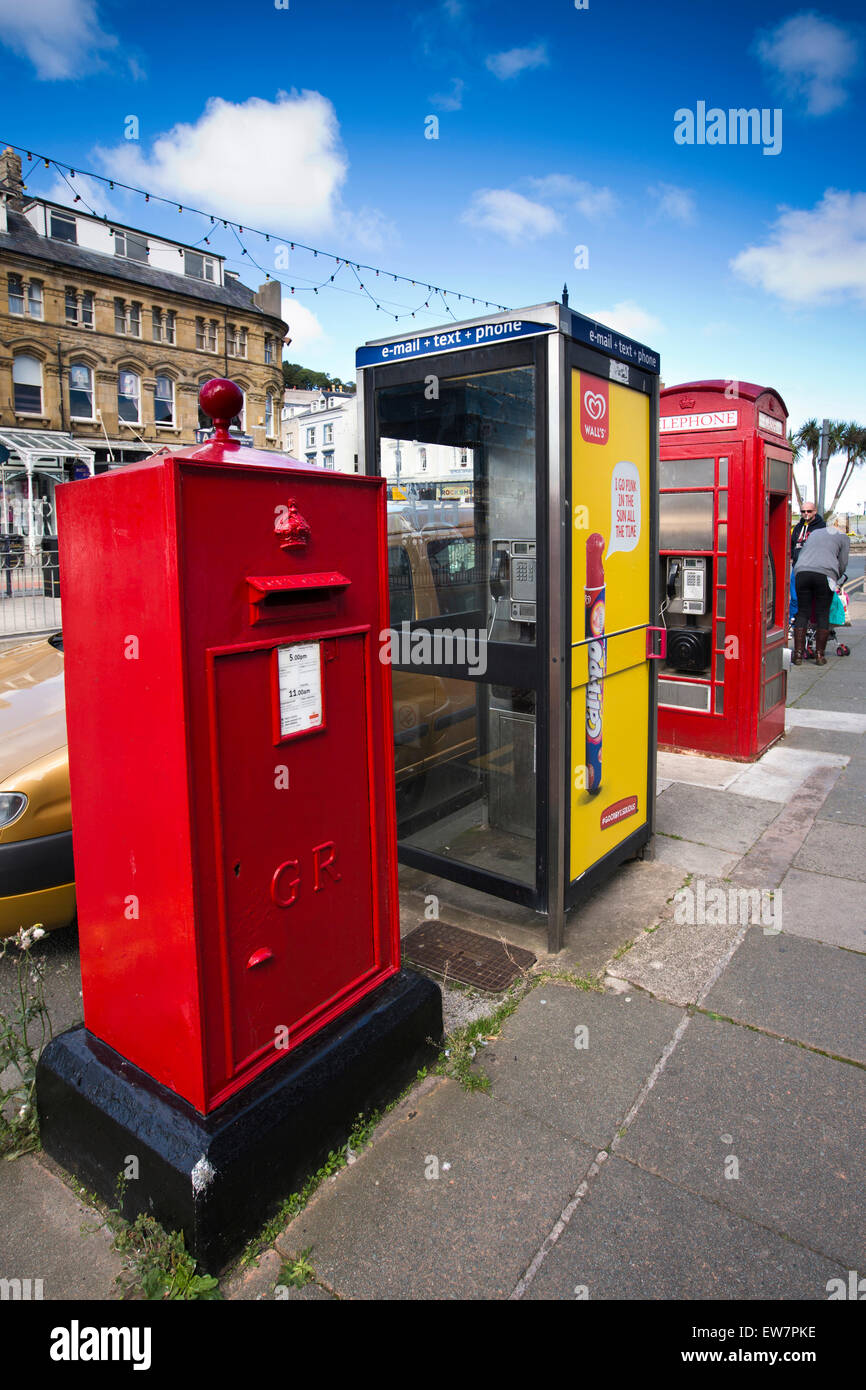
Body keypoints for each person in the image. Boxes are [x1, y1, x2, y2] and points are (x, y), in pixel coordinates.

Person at [792, 522, 849, 665]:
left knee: (803, 612)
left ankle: (798, 654)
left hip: (802, 572)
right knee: (822, 613)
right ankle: (819, 655)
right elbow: (843, 562)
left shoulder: (815, 533)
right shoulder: (843, 537)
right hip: (825, 574)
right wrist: (836, 575)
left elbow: (803, 552)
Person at [789, 503, 825, 623]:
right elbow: (792, 544)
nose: (806, 513)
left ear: (815, 511)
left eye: (809, 511)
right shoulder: (798, 527)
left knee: (811, 597)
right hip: (797, 567)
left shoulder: (821, 527)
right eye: (803, 511)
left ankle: (809, 622)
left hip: (813, 568)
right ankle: (794, 622)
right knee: (794, 597)